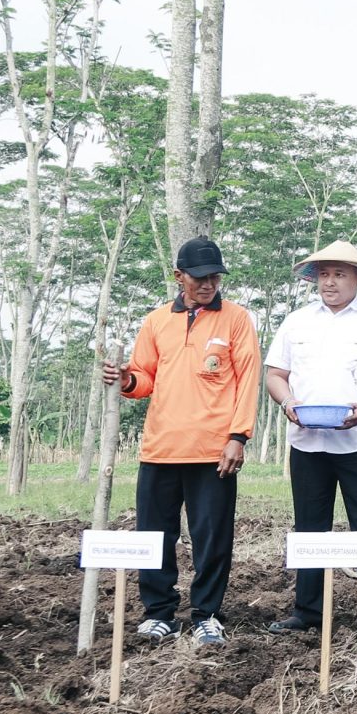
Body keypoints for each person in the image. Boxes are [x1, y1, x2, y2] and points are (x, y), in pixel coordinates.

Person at [104, 236, 259, 649]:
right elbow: (144, 377)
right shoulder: (156, 321)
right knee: (156, 535)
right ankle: (159, 614)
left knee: (212, 536)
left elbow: (248, 380)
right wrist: (125, 380)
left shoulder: (237, 319)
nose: (208, 284)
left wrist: (237, 436)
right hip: (161, 447)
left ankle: (207, 614)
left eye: (215, 277)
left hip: (214, 451)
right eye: (200, 278)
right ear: (179, 277)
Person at [262, 242, 357, 638]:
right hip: (306, 440)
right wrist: (288, 402)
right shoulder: (296, 322)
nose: (329, 282)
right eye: (324, 274)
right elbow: (275, 375)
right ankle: (308, 609)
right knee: (309, 525)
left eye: (339, 274)